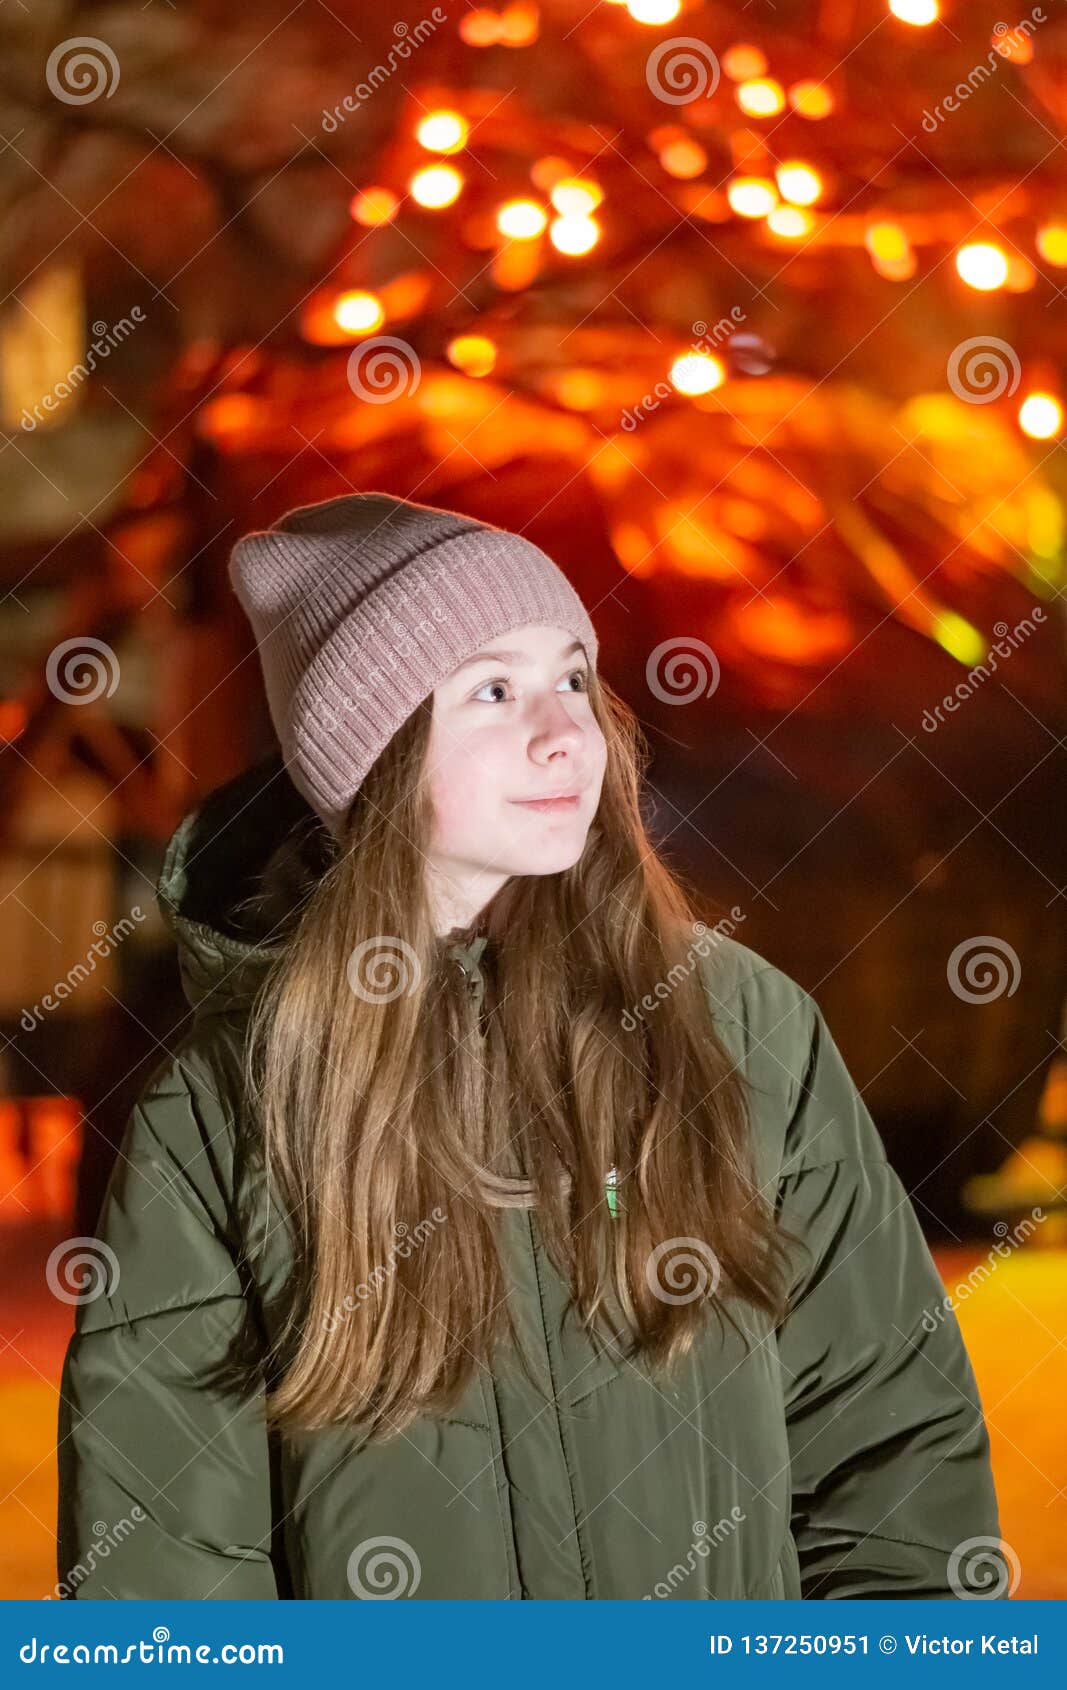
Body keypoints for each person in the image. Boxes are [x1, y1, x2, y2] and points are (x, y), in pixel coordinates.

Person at [56, 492, 1008, 1601]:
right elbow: (164, 1566)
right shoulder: (228, 1102)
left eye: (569, 676)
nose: (563, 731)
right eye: (493, 692)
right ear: (373, 756)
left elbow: (887, 1447)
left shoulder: (741, 1025)